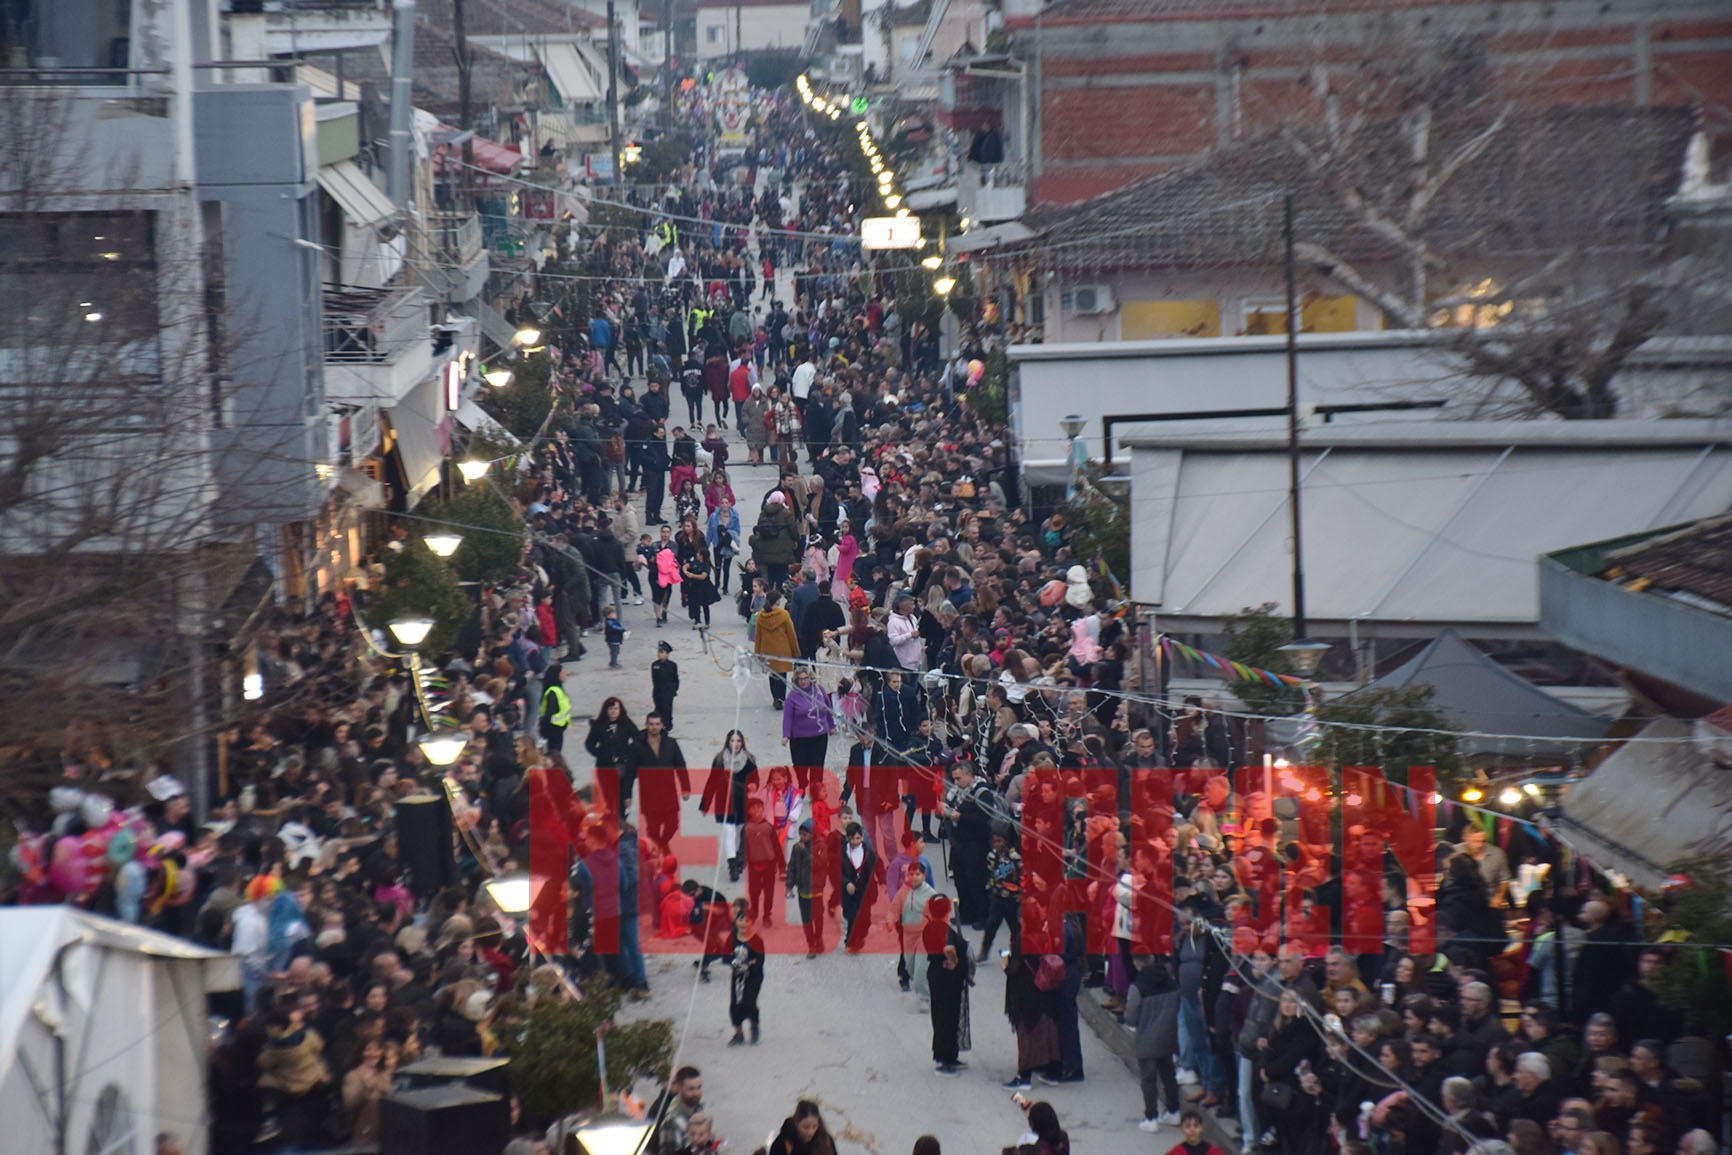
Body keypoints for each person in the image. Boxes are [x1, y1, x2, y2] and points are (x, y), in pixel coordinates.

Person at [1127, 956, 1183, 1130]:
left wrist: (1134, 1025)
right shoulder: (1169, 980)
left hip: (1147, 1037)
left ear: (1137, 963)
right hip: (1167, 1035)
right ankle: (1174, 1111)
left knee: (1148, 1079)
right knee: (1168, 1074)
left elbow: (1131, 1015)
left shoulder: (1137, 986)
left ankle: (1151, 1118)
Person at [925, 894, 972, 1074]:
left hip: (938, 977)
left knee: (943, 1016)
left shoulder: (931, 927)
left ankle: (947, 1055)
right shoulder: (942, 929)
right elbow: (949, 948)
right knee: (947, 1017)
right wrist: (954, 961)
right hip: (945, 979)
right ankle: (945, 1058)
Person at [701, 730, 757, 882]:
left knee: (739, 832)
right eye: (733, 741)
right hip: (724, 802)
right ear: (727, 742)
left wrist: (753, 785)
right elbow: (712, 781)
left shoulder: (749, 760)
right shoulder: (719, 760)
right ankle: (732, 864)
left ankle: (739, 858)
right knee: (729, 831)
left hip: (742, 802)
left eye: (738, 741)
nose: (736, 744)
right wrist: (705, 803)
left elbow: (755, 779)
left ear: (742, 743)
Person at [887, 858, 938, 1001]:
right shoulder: (903, 891)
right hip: (908, 935)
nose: (914, 877)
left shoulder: (930, 893)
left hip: (923, 936)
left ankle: (926, 999)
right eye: (911, 874)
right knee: (911, 966)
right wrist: (891, 920)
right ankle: (914, 979)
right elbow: (895, 908)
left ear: (923, 876)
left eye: (917, 874)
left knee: (921, 968)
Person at [781, 666, 835, 791]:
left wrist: (831, 725)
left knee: (817, 765)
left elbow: (828, 708)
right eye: (800, 679)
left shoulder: (819, 690)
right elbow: (787, 717)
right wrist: (785, 735)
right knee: (800, 766)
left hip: (819, 736)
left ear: (811, 678)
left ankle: (816, 789)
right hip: (799, 738)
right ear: (796, 680)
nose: (803, 681)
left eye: (805, 678)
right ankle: (802, 784)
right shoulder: (792, 696)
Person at [754, 591, 800, 708]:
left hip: (767, 650)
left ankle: (775, 698)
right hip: (782, 650)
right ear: (777, 601)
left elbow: (758, 636)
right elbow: (791, 634)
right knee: (782, 675)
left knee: (772, 675)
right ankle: (781, 698)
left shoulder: (760, 616)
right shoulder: (784, 615)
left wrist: (758, 653)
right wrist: (796, 651)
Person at [787, 819, 824, 958]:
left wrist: (806, 854)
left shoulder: (820, 846)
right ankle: (811, 944)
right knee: (806, 919)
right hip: (803, 890)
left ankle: (819, 939)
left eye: (805, 834)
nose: (802, 837)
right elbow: (791, 867)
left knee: (818, 918)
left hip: (816, 891)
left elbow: (820, 865)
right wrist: (789, 886)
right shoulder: (796, 848)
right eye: (800, 834)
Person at [839, 821, 879, 952]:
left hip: (864, 890)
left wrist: (883, 882)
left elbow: (877, 868)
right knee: (852, 916)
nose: (855, 841)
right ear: (847, 838)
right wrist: (846, 882)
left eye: (858, 838)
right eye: (852, 838)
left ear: (862, 837)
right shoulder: (842, 853)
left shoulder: (869, 853)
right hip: (850, 891)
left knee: (865, 918)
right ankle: (850, 942)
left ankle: (861, 936)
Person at [727, 908, 765, 1046]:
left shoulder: (756, 940)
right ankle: (738, 1033)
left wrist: (750, 964)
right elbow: (726, 956)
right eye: (740, 919)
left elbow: (760, 960)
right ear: (735, 921)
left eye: (747, 920)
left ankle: (754, 1025)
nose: (743, 923)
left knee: (749, 1002)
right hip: (737, 977)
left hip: (753, 977)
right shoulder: (732, 938)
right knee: (735, 1004)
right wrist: (734, 963)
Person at [539, 664, 572, 754]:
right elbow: (550, 713)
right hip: (553, 729)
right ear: (557, 675)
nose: (565, 674)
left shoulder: (558, 689)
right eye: (563, 672)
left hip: (558, 728)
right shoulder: (553, 692)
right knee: (554, 754)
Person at [651, 641, 680, 731]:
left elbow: (675, 678)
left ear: (667, 654)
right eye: (659, 652)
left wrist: (674, 689)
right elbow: (654, 679)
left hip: (668, 691)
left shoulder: (672, 665)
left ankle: (668, 724)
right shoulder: (655, 665)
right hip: (658, 690)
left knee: (667, 708)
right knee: (658, 708)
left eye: (662, 652)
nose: (659, 654)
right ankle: (658, 723)